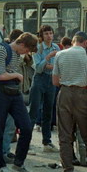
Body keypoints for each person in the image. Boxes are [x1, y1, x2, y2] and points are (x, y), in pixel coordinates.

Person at [52, 31, 87, 172]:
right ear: (85, 42)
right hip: (83, 94)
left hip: (65, 93)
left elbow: (55, 81)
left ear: (73, 41)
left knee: (65, 134)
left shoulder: (60, 54)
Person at [0, 31, 38, 172]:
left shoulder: (17, 54)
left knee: (26, 127)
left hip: (14, 91)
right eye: (27, 49)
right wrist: (17, 75)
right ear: (21, 44)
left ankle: (19, 162)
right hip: (1, 91)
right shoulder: (2, 50)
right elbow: (0, 74)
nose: (26, 53)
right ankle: (1, 165)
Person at [30, 24, 60, 153]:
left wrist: (49, 65)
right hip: (39, 80)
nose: (49, 36)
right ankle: (26, 141)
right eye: (46, 33)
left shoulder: (56, 47)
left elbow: (56, 65)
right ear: (42, 36)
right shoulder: (38, 48)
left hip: (51, 80)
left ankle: (47, 142)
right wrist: (47, 58)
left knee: (48, 111)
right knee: (34, 110)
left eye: (51, 33)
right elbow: (38, 67)